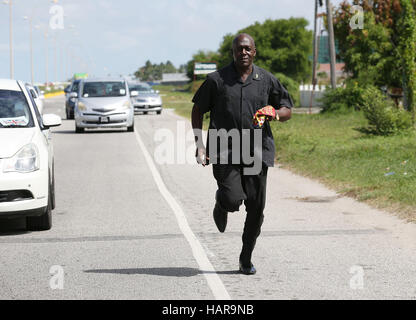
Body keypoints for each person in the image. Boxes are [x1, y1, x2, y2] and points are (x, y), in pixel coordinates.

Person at [191, 33, 293, 275]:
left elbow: (287, 109)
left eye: (248, 49)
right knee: (232, 198)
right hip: (225, 149)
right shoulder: (217, 80)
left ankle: (245, 258)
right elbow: (197, 110)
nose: (244, 52)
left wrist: (275, 113)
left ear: (254, 52)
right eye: (239, 49)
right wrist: (199, 144)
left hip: (257, 151)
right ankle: (221, 203)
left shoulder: (266, 80)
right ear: (233, 52)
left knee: (256, 209)